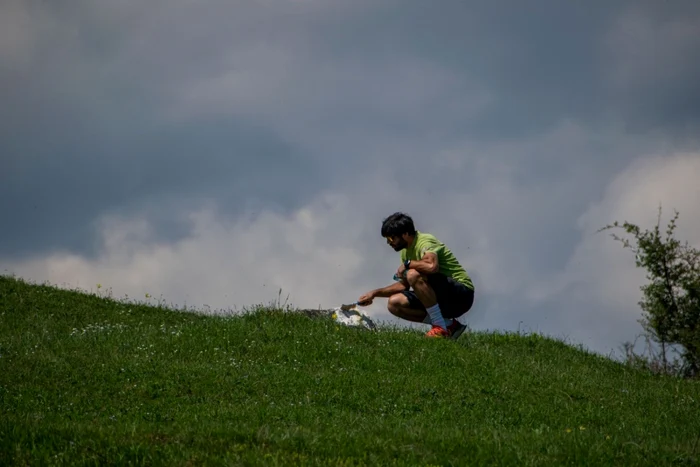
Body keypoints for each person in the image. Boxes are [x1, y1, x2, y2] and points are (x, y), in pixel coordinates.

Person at [358, 212, 475, 339]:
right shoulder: (405, 252)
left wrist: (409, 264)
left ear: (406, 234)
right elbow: (403, 286)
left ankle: (439, 327)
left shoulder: (425, 241)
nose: (389, 243)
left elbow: (432, 266)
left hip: (461, 295)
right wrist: (374, 294)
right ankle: (449, 325)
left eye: (391, 238)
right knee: (394, 303)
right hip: (439, 297)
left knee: (413, 274)